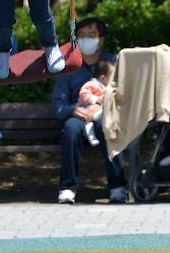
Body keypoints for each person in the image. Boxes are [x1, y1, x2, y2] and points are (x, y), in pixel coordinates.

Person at [51, 17, 126, 204]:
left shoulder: (112, 63)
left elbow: (123, 95)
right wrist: (73, 110)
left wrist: (100, 107)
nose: (86, 39)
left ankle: (117, 187)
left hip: (104, 113)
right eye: (81, 35)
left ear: (101, 39)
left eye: (91, 35)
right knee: (70, 129)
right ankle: (67, 188)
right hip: (78, 115)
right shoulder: (67, 66)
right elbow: (58, 106)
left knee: (107, 126)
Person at [78, 60, 114, 146]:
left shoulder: (106, 88)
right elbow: (83, 94)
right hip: (88, 110)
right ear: (102, 78)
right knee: (89, 124)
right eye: (112, 77)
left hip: (99, 112)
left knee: (94, 123)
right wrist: (96, 99)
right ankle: (91, 136)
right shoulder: (92, 84)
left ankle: (92, 135)